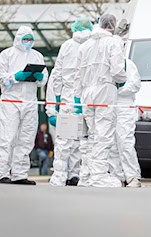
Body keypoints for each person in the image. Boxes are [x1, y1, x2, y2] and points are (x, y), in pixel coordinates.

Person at [73, 14, 127, 187]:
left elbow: (77, 75)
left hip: (87, 93)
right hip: (105, 90)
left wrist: (77, 96)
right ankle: (99, 175)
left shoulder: (85, 45)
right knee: (103, 134)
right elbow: (118, 70)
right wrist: (122, 80)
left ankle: (86, 175)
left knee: (92, 134)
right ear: (113, 25)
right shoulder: (113, 42)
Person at [0, 26, 49, 185]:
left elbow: (44, 79)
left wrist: (39, 77)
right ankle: (2, 173)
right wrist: (16, 77)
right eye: (25, 39)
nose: (28, 42)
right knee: (8, 138)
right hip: (11, 101)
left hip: (30, 101)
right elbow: (2, 78)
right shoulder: (7, 55)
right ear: (18, 38)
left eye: (30, 39)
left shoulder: (37, 56)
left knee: (26, 139)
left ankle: (19, 174)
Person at [48, 17, 93, 186]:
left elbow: (58, 73)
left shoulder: (67, 46)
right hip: (87, 98)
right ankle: (76, 174)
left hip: (67, 98)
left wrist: (57, 99)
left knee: (64, 139)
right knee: (83, 140)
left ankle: (60, 176)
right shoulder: (92, 45)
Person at [109, 58, 142, 188]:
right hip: (108, 105)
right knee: (111, 143)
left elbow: (135, 84)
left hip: (124, 106)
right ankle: (116, 176)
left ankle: (133, 176)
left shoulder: (128, 64)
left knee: (125, 142)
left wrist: (119, 90)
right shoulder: (106, 63)